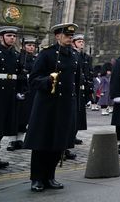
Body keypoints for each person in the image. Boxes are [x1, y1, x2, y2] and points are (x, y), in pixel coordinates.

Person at [24, 23, 80, 192]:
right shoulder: (46, 54)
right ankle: (37, 178)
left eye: (72, 36)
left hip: (65, 105)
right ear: (57, 36)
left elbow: (76, 82)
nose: (70, 38)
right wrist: (48, 80)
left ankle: (50, 176)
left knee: (58, 142)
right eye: (67, 35)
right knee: (42, 142)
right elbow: (33, 79)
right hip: (47, 105)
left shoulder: (74, 56)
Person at [0, 26, 25, 169]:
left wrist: (21, 90)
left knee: (1, 127)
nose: (12, 38)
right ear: (1, 37)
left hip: (9, 95)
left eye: (14, 36)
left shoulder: (16, 55)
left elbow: (20, 75)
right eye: (9, 35)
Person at [8, 36, 36, 151]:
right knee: (17, 117)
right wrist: (22, 76)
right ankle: (12, 141)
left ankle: (20, 139)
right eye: (29, 45)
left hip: (31, 91)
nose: (31, 48)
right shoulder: (19, 57)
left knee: (26, 117)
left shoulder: (35, 59)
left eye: (33, 46)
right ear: (24, 46)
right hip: (20, 89)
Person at [67, 33, 92, 159]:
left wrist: (89, 93)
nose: (82, 43)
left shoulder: (85, 57)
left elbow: (88, 74)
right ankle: (67, 141)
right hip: (73, 89)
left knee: (78, 116)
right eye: (79, 41)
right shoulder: (71, 54)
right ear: (73, 43)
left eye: (83, 41)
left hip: (81, 89)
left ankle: (72, 137)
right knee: (70, 117)